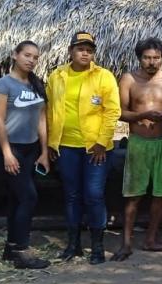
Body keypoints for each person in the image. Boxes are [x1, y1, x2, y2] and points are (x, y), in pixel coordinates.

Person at [45, 32, 120, 265]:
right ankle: (73, 244)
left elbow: (112, 111)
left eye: (89, 50)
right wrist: (51, 143)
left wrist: (101, 142)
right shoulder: (57, 76)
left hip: (95, 148)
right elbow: (50, 111)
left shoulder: (103, 76)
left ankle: (97, 246)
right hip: (65, 147)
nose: (85, 53)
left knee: (94, 195)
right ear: (71, 51)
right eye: (80, 49)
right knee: (71, 195)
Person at [113, 38, 162, 262]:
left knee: (161, 194)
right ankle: (126, 243)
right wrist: (143, 115)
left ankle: (151, 239)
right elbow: (121, 113)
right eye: (147, 58)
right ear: (139, 58)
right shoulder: (129, 79)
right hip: (138, 143)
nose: (151, 62)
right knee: (133, 194)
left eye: (156, 58)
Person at [0, 41, 50, 269]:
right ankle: (22, 251)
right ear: (15, 55)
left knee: (17, 199)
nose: (31, 60)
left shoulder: (36, 84)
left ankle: (11, 247)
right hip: (10, 147)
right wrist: (7, 153)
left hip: (30, 149)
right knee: (28, 197)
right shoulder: (3, 84)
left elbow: (41, 119)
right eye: (27, 55)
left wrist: (44, 152)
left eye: (35, 57)